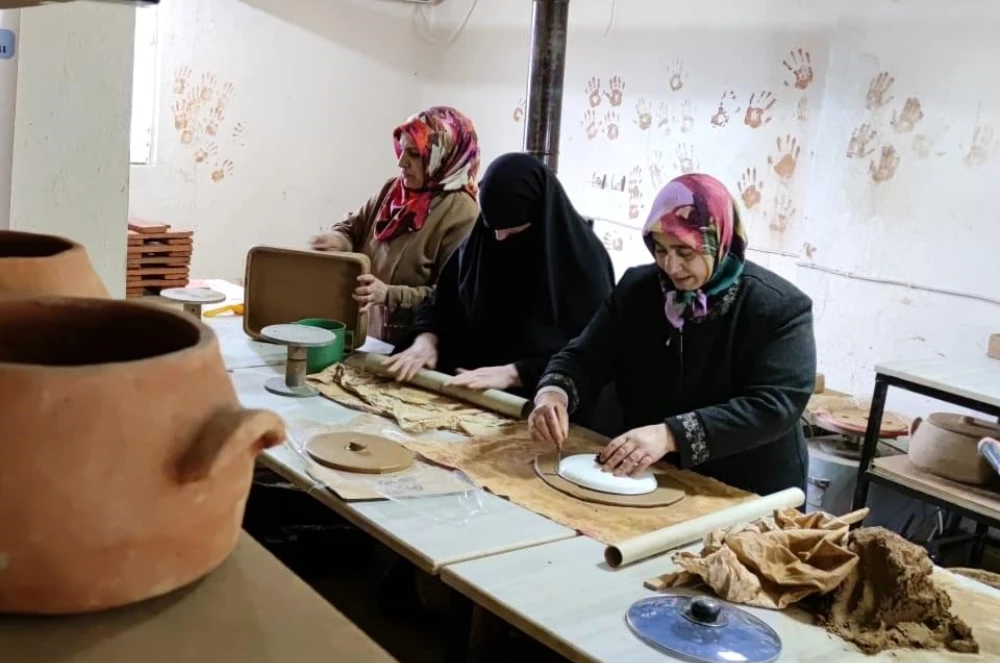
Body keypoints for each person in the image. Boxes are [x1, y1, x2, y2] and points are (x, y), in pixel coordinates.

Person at [529, 173, 815, 496]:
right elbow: (583, 357)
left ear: (718, 240)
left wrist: (671, 435)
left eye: (685, 251)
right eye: (660, 250)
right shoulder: (638, 291)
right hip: (658, 476)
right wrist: (553, 394)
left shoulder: (777, 308)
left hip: (747, 487)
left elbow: (772, 405)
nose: (671, 266)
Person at [382, 152, 616, 404]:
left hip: (534, 400)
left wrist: (516, 373)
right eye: (492, 227)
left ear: (540, 216)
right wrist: (426, 340)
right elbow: (442, 302)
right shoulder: (483, 238)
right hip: (462, 386)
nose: (500, 238)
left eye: (513, 230)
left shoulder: (582, 263)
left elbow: (591, 353)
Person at [310, 105, 480, 344]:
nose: (401, 162)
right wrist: (338, 240)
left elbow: (451, 296)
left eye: (414, 154)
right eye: (401, 149)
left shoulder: (461, 212)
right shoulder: (394, 190)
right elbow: (352, 227)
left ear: (442, 156)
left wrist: (389, 294)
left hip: (411, 347)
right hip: (366, 334)